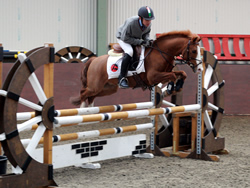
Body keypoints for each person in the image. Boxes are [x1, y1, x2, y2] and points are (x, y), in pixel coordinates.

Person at [116, 6, 155, 88]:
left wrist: (147, 40)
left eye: (150, 19)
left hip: (134, 38)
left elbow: (146, 34)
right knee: (129, 51)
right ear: (140, 18)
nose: (149, 22)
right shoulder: (131, 22)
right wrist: (140, 42)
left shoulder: (148, 24)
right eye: (147, 20)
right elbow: (125, 38)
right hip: (123, 38)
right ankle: (122, 78)